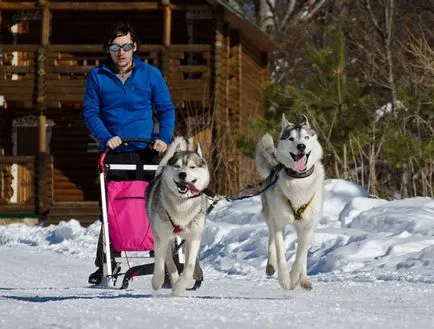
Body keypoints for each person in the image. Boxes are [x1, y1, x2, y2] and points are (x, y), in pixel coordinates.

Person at [83, 20, 175, 285]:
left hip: (146, 151)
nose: (120, 52)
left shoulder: (151, 75)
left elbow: (166, 110)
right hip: (113, 151)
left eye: (125, 46)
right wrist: (105, 137)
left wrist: (162, 138)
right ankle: (106, 263)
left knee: (153, 206)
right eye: (115, 47)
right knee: (112, 208)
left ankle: (163, 257)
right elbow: (91, 112)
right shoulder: (97, 77)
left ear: (134, 47)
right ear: (108, 50)